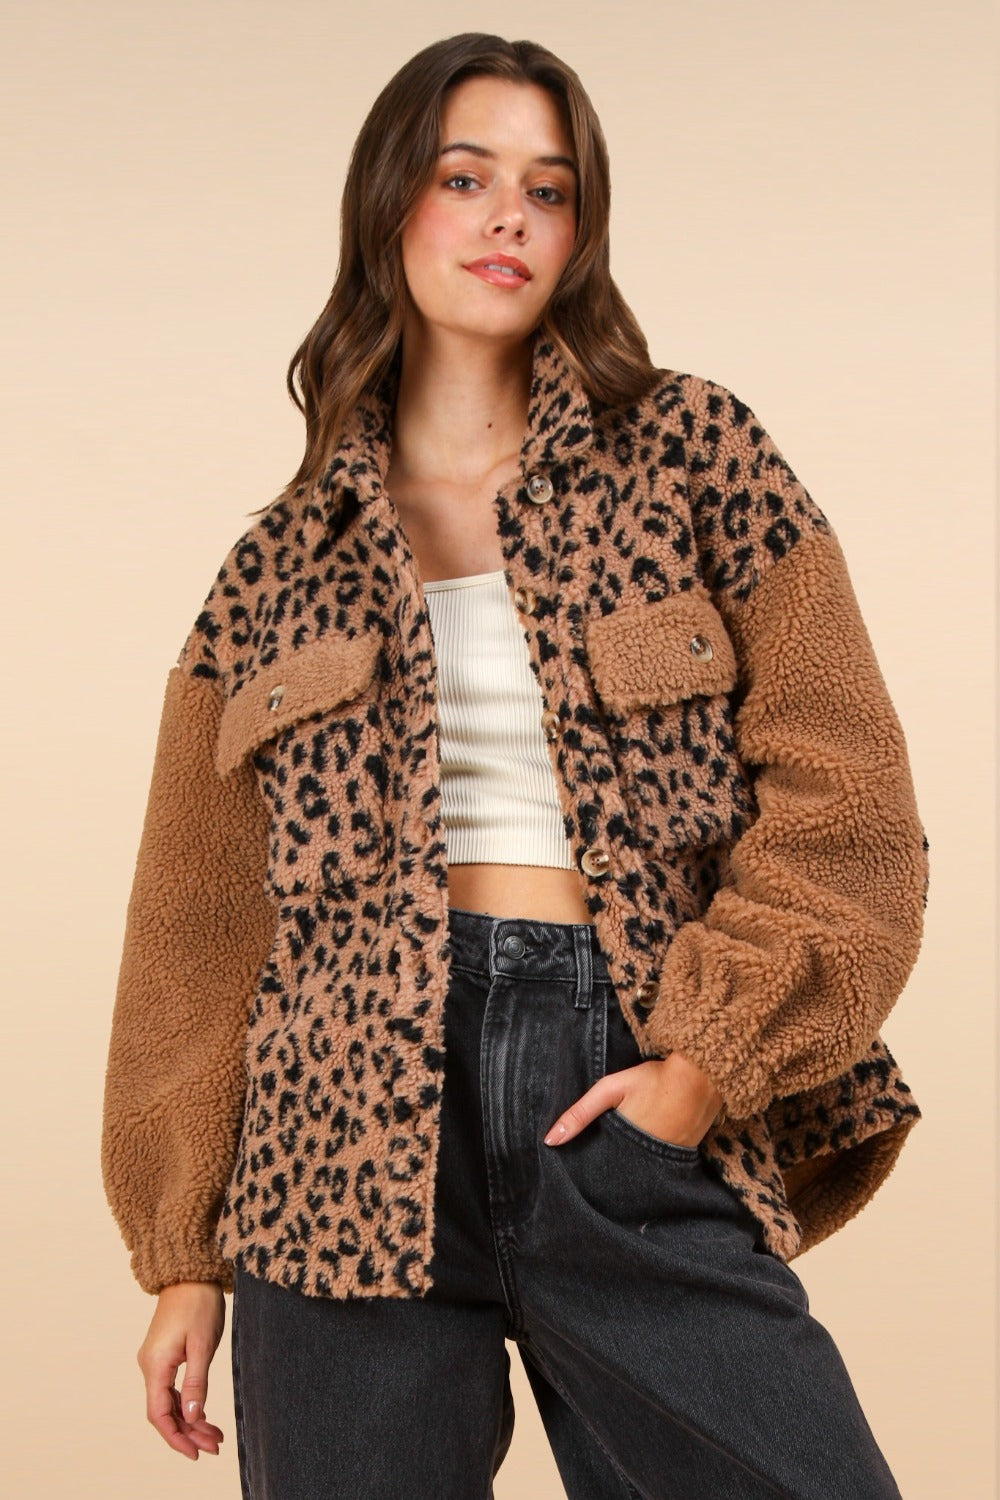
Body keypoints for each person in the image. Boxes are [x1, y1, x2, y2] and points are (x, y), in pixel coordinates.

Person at [101, 32, 929, 1500]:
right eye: (465, 178)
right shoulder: (274, 570)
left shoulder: (693, 453)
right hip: (333, 1141)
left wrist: (701, 1066)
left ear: (580, 230)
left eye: (548, 191)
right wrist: (183, 1255)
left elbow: (848, 797)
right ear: (387, 204)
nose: (509, 219)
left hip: (619, 1079)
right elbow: (198, 933)